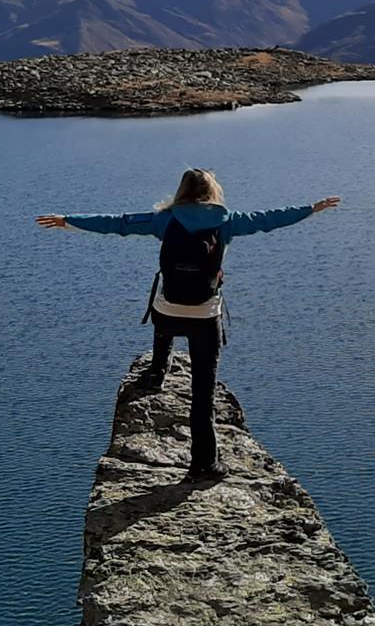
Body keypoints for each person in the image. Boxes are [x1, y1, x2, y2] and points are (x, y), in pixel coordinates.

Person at [37, 168, 339, 481]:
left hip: (168, 313)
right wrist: (311, 209)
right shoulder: (228, 221)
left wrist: (68, 220)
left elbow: (118, 223)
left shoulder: (165, 220)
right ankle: (204, 465)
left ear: (182, 191)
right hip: (205, 316)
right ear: (213, 192)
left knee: (163, 315)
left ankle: (157, 372)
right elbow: (270, 219)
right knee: (202, 394)